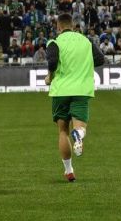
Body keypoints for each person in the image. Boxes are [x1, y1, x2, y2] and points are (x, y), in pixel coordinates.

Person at [44, 13, 106, 182]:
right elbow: (101, 59)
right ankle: (78, 134)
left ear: (58, 27)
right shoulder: (86, 41)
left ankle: (69, 170)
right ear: (73, 26)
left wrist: (50, 76)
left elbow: (52, 62)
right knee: (80, 127)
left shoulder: (54, 42)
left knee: (63, 131)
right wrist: (83, 64)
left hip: (61, 91)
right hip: (81, 90)